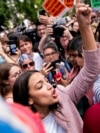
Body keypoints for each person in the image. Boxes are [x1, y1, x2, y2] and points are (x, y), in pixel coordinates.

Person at [12, 3, 100, 133]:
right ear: (29, 99)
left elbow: (91, 70)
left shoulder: (63, 98)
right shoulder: (25, 128)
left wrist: (84, 26)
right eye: (39, 86)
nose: (49, 86)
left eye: (46, 81)